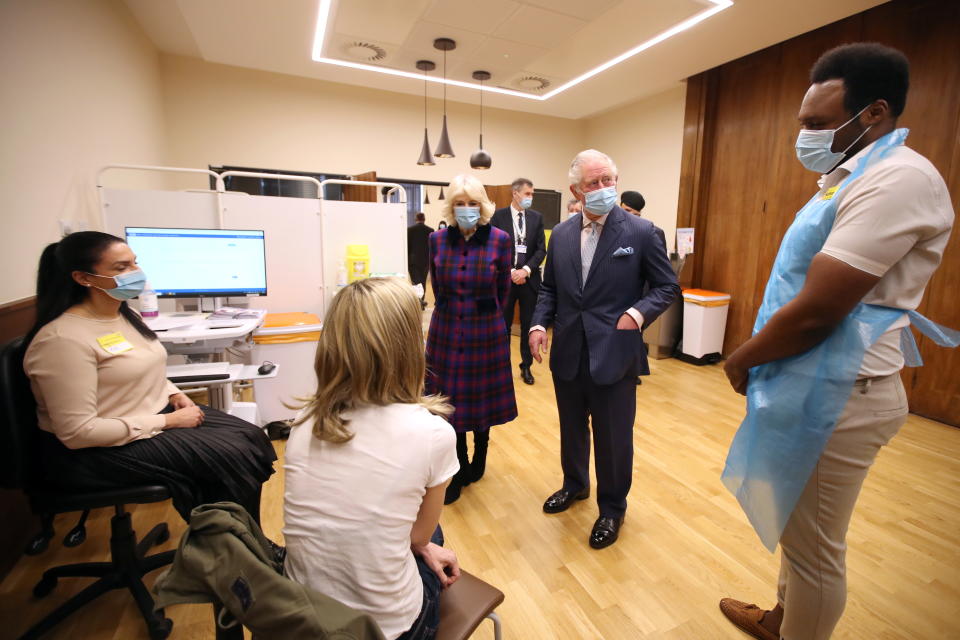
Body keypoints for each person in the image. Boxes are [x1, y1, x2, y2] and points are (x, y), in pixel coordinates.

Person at [718, 43, 955, 640]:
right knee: (797, 531)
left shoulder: (898, 179)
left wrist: (743, 357)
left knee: (815, 549)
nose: (803, 134)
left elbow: (818, 309)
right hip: (811, 384)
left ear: (874, 112)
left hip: (843, 396)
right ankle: (780, 618)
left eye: (817, 124)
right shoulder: (846, 176)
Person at [23, 231, 276, 524]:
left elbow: (144, 365)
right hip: (94, 451)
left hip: (148, 418)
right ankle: (235, 550)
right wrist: (167, 421)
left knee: (252, 437)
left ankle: (240, 542)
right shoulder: (61, 340)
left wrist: (172, 393)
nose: (136, 273)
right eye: (121, 268)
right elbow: (78, 433)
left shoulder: (124, 316)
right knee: (232, 454)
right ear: (84, 278)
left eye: (135, 263)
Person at [283, 277, 460, 640]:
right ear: (409, 347)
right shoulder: (432, 434)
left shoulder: (303, 424)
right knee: (433, 530)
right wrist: (423, 546)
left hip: (301, 616)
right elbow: (417, 537)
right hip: (386, 628)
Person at [530, 150, 680, 549]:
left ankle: (612, 508)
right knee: (572, 427)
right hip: (569, 350)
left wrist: (637, 312)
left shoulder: (641, 232)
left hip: (615, 350)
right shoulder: (560, 234)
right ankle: (575, 484)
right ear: (575, 189)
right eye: (592, 183)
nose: (601, 189)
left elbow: (667, 286)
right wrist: (538, 323)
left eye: (607, 180)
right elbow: (550, 289)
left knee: (614, 437)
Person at [426, 174, 517, 504]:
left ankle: (480, 453)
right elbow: (437, 285)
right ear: (451, 207)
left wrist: (483, 312)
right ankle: (458, 463)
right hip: (446, 331)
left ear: (483, 206)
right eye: (460, 203)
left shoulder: (499, 240)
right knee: (449, 404)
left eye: (473, 203)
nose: (466, 209)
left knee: (480, 400)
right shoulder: (436, 240)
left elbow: (504, 292)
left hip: (485, 331)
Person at [491, 178, 547, 385]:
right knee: (503, 327)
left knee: (527, 325)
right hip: (505, 280)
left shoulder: (536, 218)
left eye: (532, 194)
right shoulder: (498, 217)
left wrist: (525, 270)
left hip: (529, 281)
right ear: (515, 193)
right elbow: (493, 248)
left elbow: (541, 249)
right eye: (528, 194)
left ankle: (526, 366)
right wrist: (511, 271)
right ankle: (501, 367)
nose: (530, 198)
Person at [619, 190, 670, 386]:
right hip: (617, 293)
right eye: (627, 211)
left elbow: (659, 271)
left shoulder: (653, 232)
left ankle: (632, 369)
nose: (631, 217)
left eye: (636, 214)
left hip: (641, 293)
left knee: (634, 332)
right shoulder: (611, 229)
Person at [408, 212, 434, 309]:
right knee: (422, 281)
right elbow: (432, 247)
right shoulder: (430, 231)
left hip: (413, 260)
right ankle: (421, 301)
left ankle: (418, 302)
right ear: (424, 219)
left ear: (416, 219)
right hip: (426, 260)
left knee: (416, 282)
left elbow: (408, 247)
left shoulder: (410, 230)